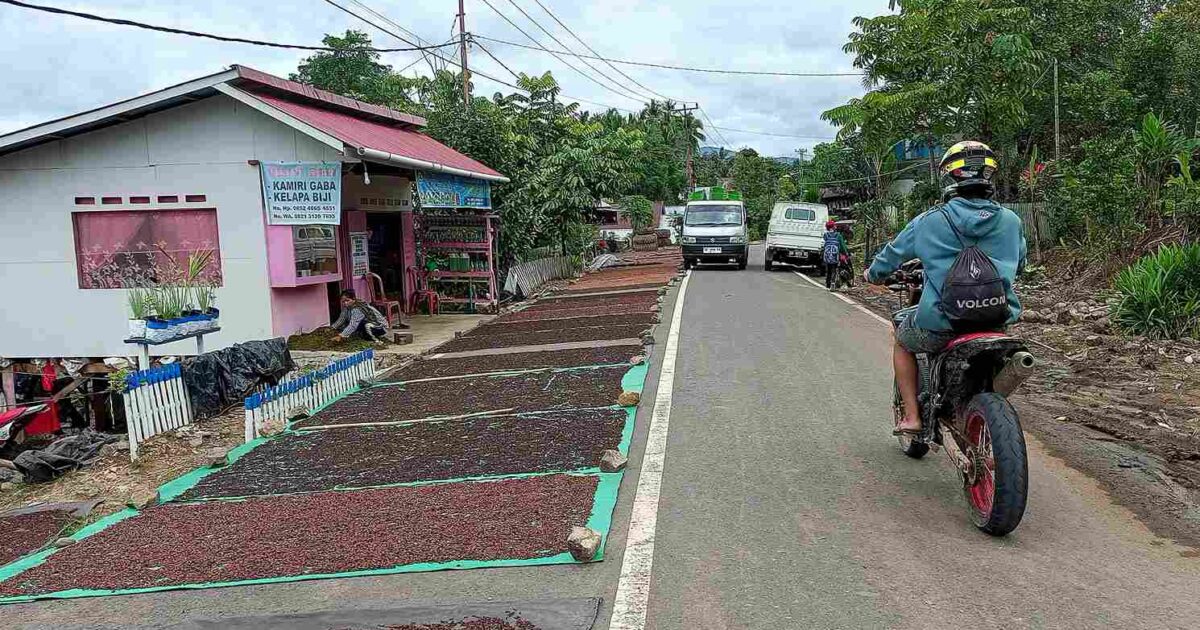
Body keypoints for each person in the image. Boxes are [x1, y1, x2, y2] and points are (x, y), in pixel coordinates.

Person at [863, 141, 1026, 435]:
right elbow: (1021, 265)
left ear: (949, 178)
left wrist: (872, 275)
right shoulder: (1012, 221)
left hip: (942, 322)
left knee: (903, 341)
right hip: (996, 318)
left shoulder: (929, 221)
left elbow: (889, 257)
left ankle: (912, 416)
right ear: (989, 177)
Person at [822, 220, 849, 290]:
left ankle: (827, 283)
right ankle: (833, 282)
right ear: (833, 227)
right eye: (834, 225)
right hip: (835, 255)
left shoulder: (826, 235)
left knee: (828, 269)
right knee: (834, 268)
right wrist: (846, 253)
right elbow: (842, 246)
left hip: (827, 255)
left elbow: (824, 244)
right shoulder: (838, 235)